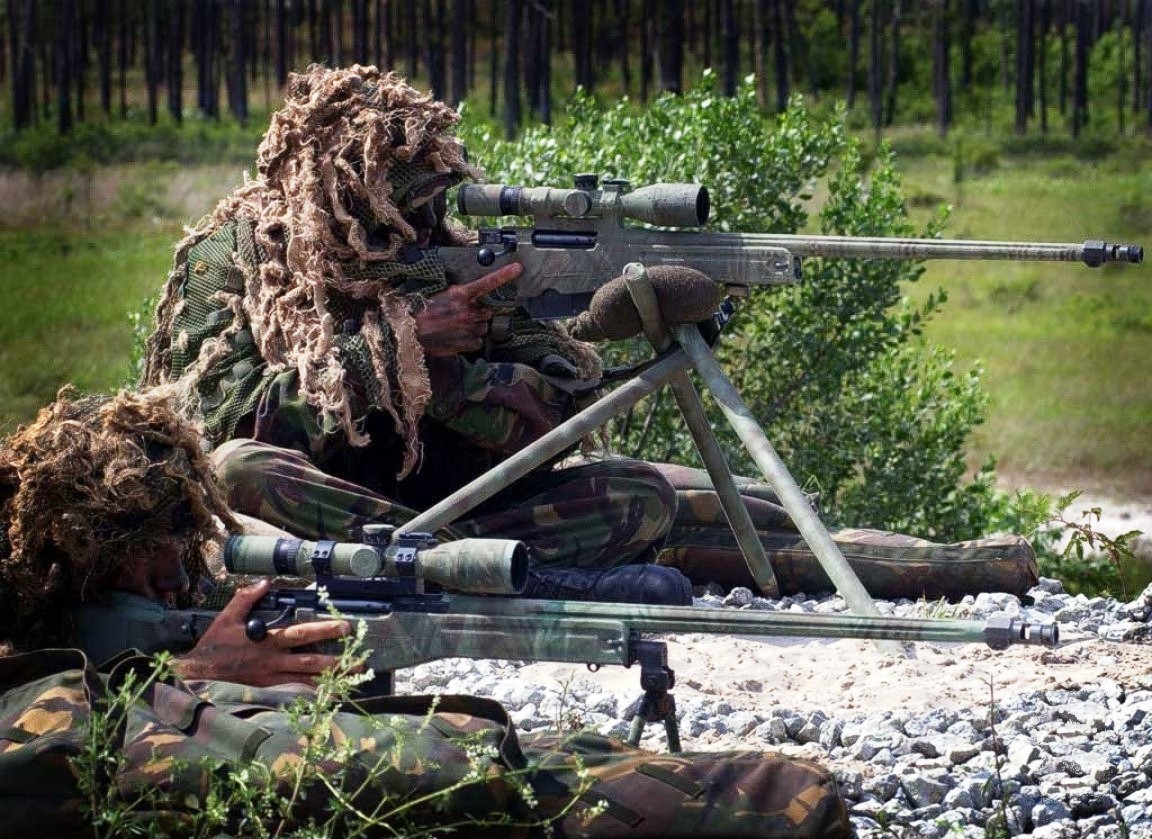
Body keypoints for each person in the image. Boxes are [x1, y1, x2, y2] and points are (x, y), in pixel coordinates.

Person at [140, 63, 1037, 605]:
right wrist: (404, 349)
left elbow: (546, 421)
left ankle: (974, 565)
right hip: (315, 515)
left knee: (680, 493)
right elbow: (225, 422)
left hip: (464, 503)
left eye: (431, 210)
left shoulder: (455, 256)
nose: (421, 234)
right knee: (238, 472)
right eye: (396, 216)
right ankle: (476, 570)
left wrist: (578, 335)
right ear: (335, 194)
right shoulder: (240, 256)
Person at [0, 387, 850, 838]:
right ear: (82, 559)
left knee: (662, 502)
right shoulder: (44, 659)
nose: (174, 571)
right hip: (312, 762)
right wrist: (202, 672)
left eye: (178, 542)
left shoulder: (203, 568)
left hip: (442, 525)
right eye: (150, 556)